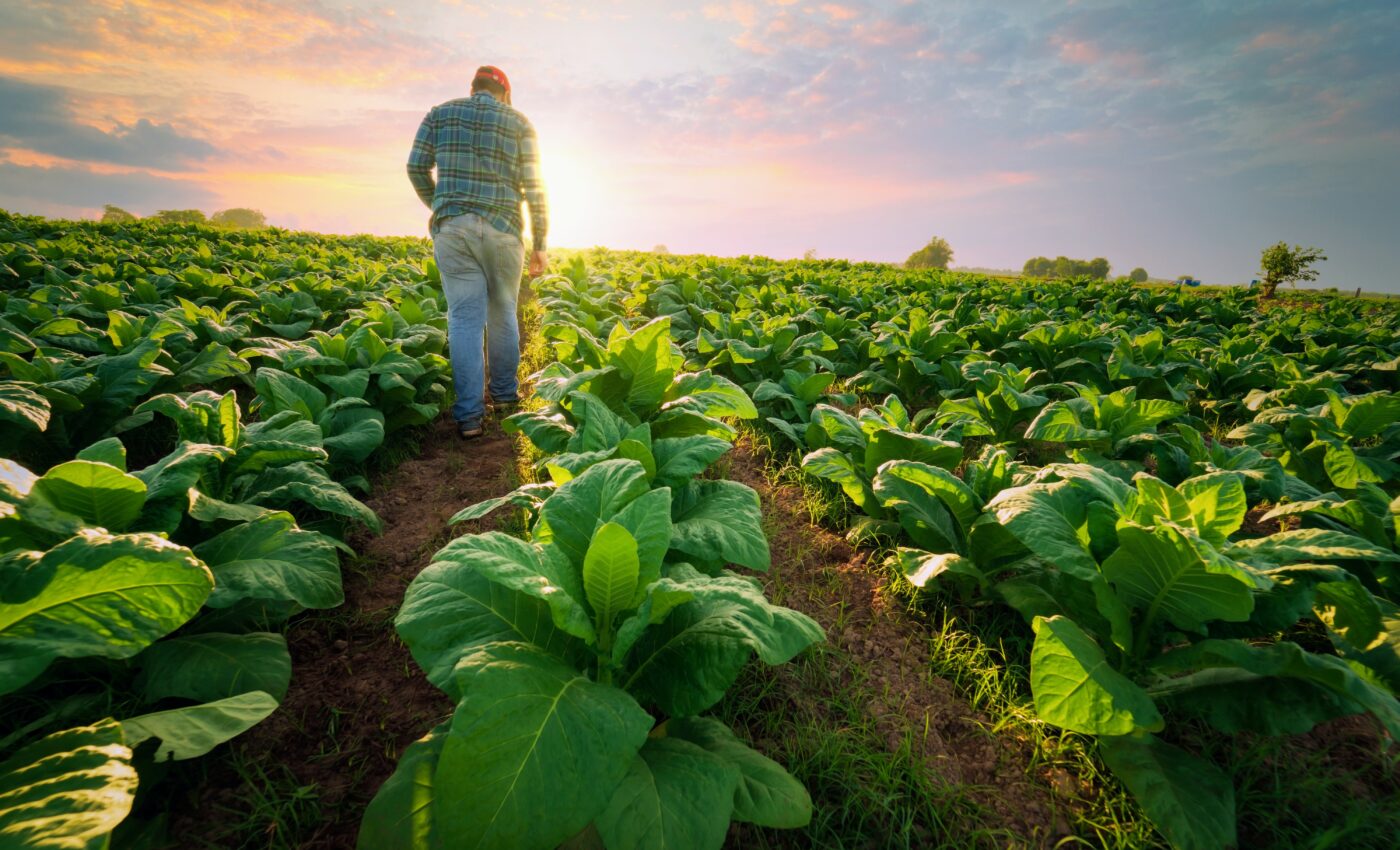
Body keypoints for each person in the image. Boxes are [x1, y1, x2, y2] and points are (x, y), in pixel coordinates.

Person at [407, 65, 548, 439]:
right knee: (503, 312)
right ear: (504, 93)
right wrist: (541, 244)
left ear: (474, 88)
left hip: (453, 228)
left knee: (465, 319)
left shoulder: (439, 113)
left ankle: (469, 418)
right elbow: (534, 187)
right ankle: (504, 397)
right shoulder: (519, 122)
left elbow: (415, 167)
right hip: (504, 229)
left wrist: (440, 204)